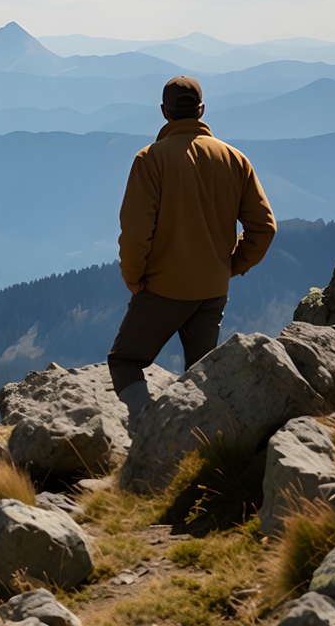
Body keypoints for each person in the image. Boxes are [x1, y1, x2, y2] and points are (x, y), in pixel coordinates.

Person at [108, 75, 277, 424]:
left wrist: (133, 277)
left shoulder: (150, 160)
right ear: (201, 110)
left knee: (124, 361)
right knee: (202, 374)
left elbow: (136, 231)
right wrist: (228, 266)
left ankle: (147, 430)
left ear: (164, 112)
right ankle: (201, 440)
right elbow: (264, 228)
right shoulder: (234, 159)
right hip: (213, 289)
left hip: (162, 288)